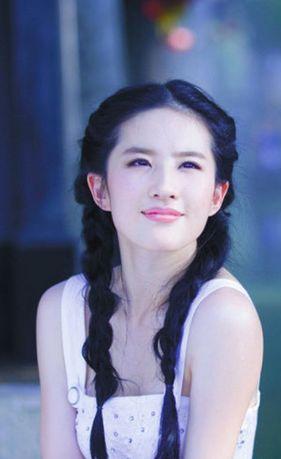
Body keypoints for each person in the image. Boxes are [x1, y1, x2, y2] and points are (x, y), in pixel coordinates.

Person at [36, 79, 264, 459]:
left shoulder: (223, 318)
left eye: (189, 165)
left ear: (216, 195)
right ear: (100, 189)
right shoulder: (61, 310)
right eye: (140, 162)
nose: (165, 187)